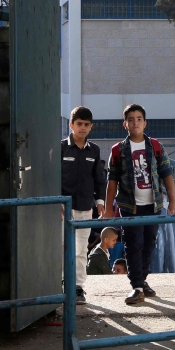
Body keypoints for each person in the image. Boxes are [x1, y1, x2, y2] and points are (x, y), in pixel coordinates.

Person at [103, 103, 175, 305]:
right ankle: (136, 286)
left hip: (153, 205)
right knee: (132, 245)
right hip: (129, 206)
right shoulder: (118, 150)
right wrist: (109, 208)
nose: (135, 122)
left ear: (145, 122)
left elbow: (167, 174)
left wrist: (172, 201)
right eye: (130, 119)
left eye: (138, 119)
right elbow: (112, 181)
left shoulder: (155, 146)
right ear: (124, 124)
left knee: (148, 244)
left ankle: (142, 281)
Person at [61, 106, 106, 305]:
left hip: (85, 207)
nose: (82, 128)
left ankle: (78, 287)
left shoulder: (94, 150)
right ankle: (62, 283)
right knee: (62, 246)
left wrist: (100, 202)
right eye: (79, 124)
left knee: (80, 248)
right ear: (71, 125)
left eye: (86, 124)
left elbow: (99, 179)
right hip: (63, 207)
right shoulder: (61, 148)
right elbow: (52, 176)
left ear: (91, 127)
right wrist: (56, 201)